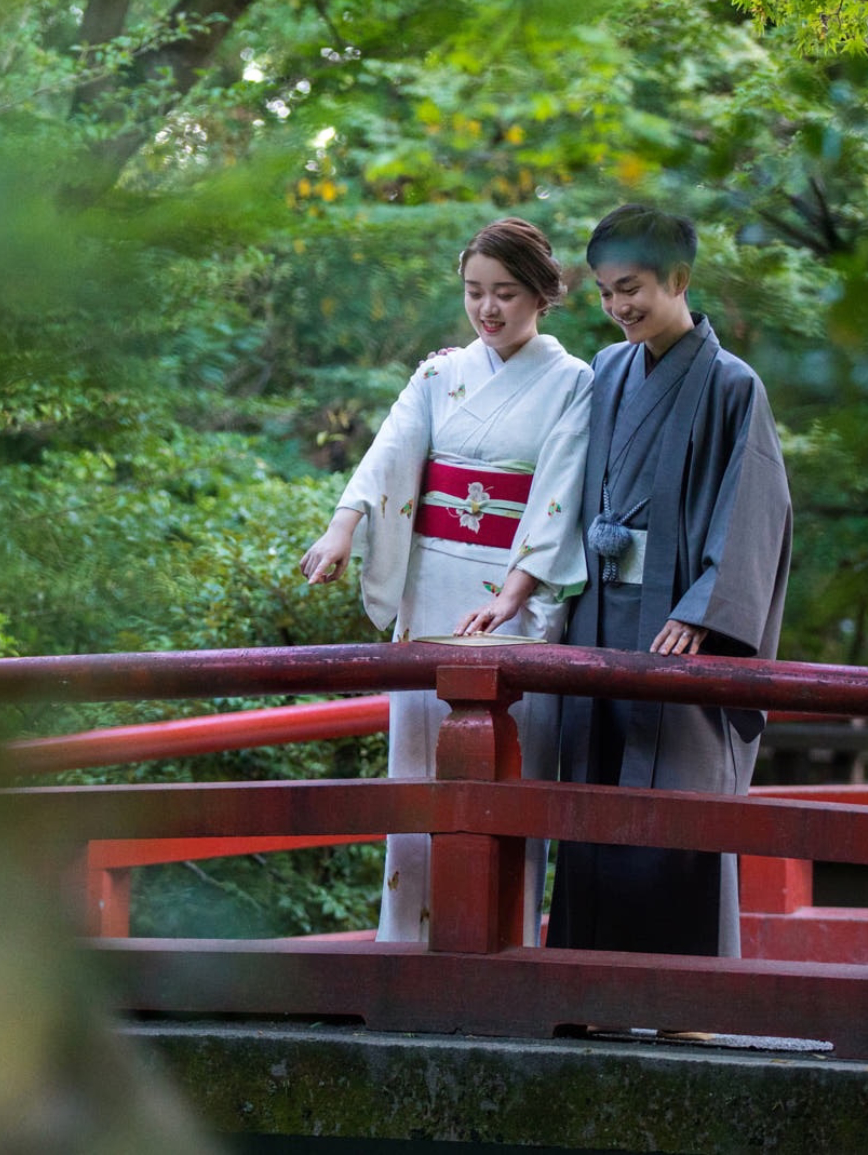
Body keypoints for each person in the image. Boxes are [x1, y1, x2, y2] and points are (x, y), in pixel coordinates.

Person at [299, 217, 591, 944]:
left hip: (507, 594)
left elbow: (561, 491)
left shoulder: (573, 383)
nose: (488, 310)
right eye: (474, 293)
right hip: (429, 582)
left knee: (503, 776)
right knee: (420, 770)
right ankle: (406, 942)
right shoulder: (439, 373)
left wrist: (516, 594)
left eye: (506, 294)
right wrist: (344, 524)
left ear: (542, 295)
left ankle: (501, 943)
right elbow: (390, 449)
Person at [545, 203, 793, 958]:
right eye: (605, 292)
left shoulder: (730, 384)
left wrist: (704, 608)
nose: (619, 307)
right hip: (598, 612)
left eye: (633, 288)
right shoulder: (608, 370)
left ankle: (685, 986)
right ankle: (592, 974)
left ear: (679, 280)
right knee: (594, 793)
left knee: (680, 798)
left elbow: (756, 506)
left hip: (677, 625)